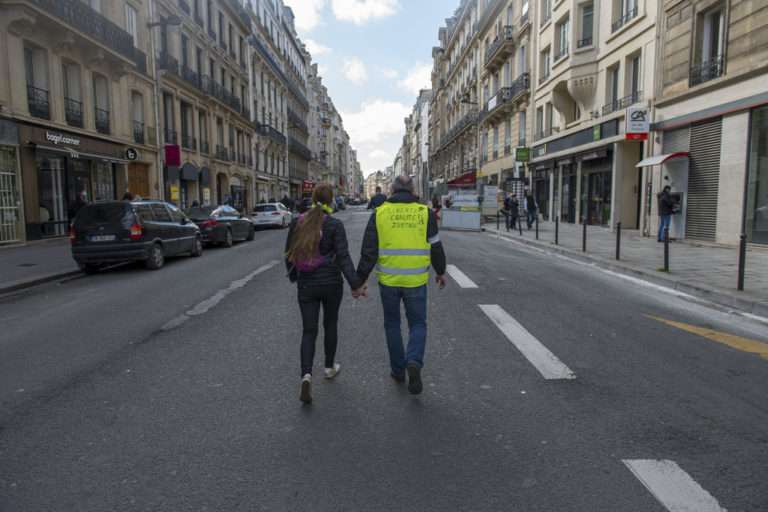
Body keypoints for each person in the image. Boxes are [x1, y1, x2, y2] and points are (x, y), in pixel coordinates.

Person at [356, 175, 447, 395]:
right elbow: (435, 246)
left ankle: (398, 370)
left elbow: (369, 251)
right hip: (416, 280)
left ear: (392, 190)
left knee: (392, 324)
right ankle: (414, 360)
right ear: (412, 190)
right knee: (418, 324)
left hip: (389, 280)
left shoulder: (380, 213)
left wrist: (359, 281)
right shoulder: (424, 213)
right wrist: (441, 271)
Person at [285, 184, 364, 404]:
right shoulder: (335, 225)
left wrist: (294, 277)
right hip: (331, 283)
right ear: (331, 201)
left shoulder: (298, 223)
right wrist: (355, 284)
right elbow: (344, 257)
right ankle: (329, 367)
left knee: (308, 331)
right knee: (330, 324)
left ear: (312, 199)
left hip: (307, 284)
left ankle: (306, 375)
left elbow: (288, 253)